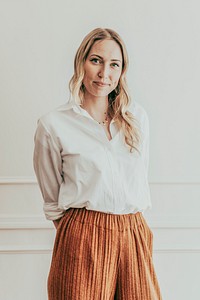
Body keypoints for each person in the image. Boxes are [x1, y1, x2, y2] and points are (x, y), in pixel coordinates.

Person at [33, 27, 162, 300]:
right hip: (82, 234)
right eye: (96, 60)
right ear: (81, 63)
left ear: (122, 70)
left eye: (114, 64)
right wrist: (80, 231)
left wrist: (132, 231)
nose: (105, 73)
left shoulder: (137, 118)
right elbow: (51, 199)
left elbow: (138, 179)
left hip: (134, 232)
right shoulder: (53, 125)